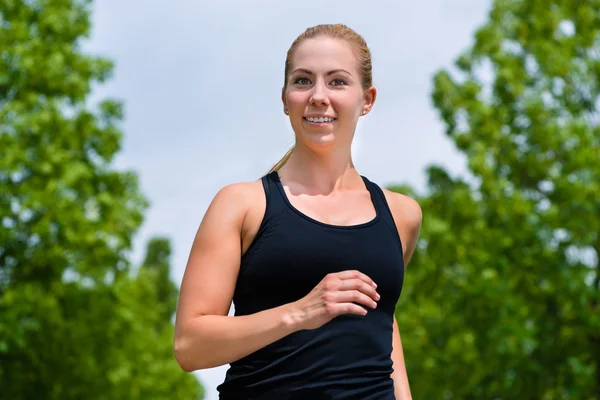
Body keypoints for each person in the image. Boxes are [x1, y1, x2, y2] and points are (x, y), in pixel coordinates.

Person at [173, 23, 422, 399]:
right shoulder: (243, 205)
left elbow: (382, 326)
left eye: (337, 82)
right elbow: (190, 346)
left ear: (367, 99)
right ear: (285, 97)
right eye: (303, 81)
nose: (318, 96)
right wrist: (301, 312)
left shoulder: (402, 215)